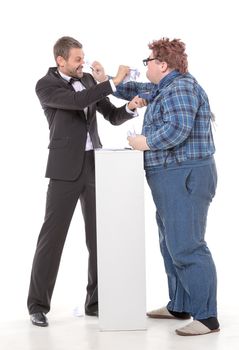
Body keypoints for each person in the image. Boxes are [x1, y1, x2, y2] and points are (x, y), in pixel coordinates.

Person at [95, 37, 219, 336]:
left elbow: (178, 129)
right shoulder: (165, 87)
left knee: (186, 246)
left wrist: (145, 143)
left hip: (184, 175)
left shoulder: (181, 87)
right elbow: (136, 90)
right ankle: (180, 304)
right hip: (169, 175)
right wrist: (106, 80)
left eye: (147, 61)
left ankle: (206, 317)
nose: (145, 66)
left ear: (162, 64)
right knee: (170, 244)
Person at [27, 36, 145, 327]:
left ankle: (95, 303)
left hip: (95, 167)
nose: (83, 63)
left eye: (83, 58)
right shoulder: (46, 85)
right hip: (64, 170)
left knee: (98, 238)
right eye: (77, 59)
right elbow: (76, 101)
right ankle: (37, 305)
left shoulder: (90, 81)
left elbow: (111, 115)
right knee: (52, 239)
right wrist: (115, 80)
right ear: (61, 61)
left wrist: (129, 107)